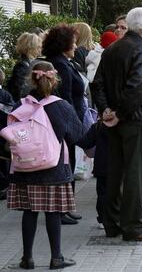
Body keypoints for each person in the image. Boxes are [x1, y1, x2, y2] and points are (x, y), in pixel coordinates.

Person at [91, 7, 142, 241]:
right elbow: (138, 87)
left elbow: (97, 83)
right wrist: (119, 113)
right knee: (135, 173)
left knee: (115, 171)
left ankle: (112, 223)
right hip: (134, 118)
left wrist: (106, 111)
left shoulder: (112, 49)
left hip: (114, 119)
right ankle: (133, 226)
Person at [6, 61, 82, 270]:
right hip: (53, 168)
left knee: (29, 213)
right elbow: (76, 135)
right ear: (54, 79)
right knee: (53, 213)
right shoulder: (61, 106)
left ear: (32, 79)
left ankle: (27, 258)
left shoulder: (20, 106)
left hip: (24, 169)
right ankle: (56, 257)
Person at [43, 24, 86, 225]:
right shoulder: (59, 64)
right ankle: (61, 208)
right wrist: (73, 124)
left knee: (69, 163)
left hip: (69, 118)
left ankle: (66, 206)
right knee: (65, 164)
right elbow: (65, 96)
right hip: (64, 121)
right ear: (64, 44)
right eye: (73, 43)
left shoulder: (65, 62)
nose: (76, 47)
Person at [76, 120, 108, 229]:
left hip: (102, 165)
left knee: (103, 193)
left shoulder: (99, 125)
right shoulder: (126, 123)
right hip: (122, 167)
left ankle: (103, 220)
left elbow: (84, 142)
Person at [7, 32, 43, 101]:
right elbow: (19, 89)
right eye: (38, 47)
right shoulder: (22, 65)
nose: (40, 49)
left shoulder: (30, 63)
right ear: (31, 47)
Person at [0, 68, 14, 200]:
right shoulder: (5, 94)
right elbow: (11, 110)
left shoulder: (4, 94)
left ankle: (4, 185)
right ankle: (4, 185)